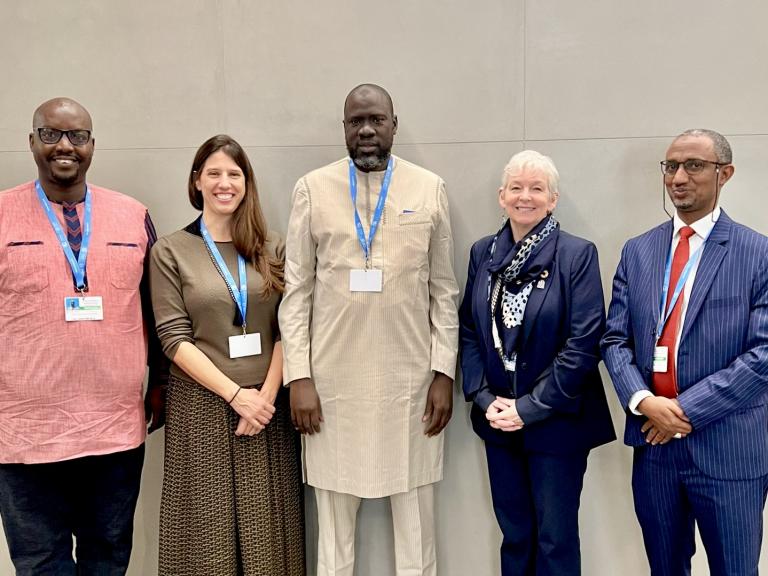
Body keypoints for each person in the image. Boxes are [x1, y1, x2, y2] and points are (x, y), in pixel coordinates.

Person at [279, 84, 459, 576]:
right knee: (334, 536)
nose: (365, 131)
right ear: (343, 128)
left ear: (394, 125)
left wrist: (444, 371)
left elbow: (444, 292)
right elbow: (296, 294)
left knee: (417, 529)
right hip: (331, 388)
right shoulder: (312, 189)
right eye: (355, 121)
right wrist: (299, 378)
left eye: (376, 120)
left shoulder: (428, 188)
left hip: (412, 386)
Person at [0, 97, 167, 575]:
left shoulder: (133, 216)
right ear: (31, 142)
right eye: (51, 134)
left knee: (108, 559)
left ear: (93, 145)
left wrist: (160, 383)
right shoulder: (3, 213)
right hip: (24, 436)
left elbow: (155, 311)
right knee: (40, 563)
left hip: (113, 432)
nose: (64, 146)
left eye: (77, 136)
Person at [602, 129, 768, 575]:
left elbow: (763, 355)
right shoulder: (638, 252)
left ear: (724, 174)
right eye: (671, 166)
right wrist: (643, 402)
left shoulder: (758, 253)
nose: (678, 177)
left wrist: (680, 410)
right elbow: (615, 340)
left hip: (729, 449)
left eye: (693, 166)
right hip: (655, 452)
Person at [150, 135, 304, 575]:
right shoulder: (170, 251)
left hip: (266, 411)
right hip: (202, 408)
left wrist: (266, 399)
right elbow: (173, 337)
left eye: (234, 174)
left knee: (269, 536)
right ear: (197, 181)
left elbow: (287, 328)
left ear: (246, 183)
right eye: (213, 173)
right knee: (205, 535)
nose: (224, 183)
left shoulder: (271, 247)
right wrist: (237, 395)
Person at [459, 150, 615, 575]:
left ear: (553, 199)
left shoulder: (577, 255)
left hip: (557, 423)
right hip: (497, 420)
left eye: (536, 188)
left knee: (554, 540)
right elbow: (469, 331)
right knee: (515, 535)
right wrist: (482, 396)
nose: (525, 196)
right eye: (516, 187)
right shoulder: (482, 254)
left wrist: (527, 409)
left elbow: (584, 343)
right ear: (501, 196)